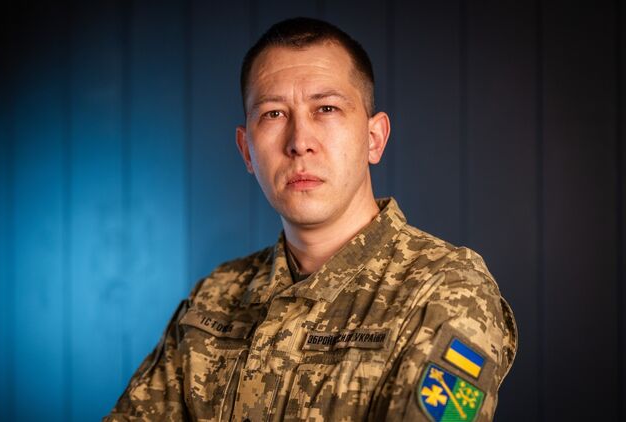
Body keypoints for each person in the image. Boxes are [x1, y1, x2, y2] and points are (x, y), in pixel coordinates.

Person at [103, 17, 517, 422]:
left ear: (374, 139)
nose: (300, 142)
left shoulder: (446, 288)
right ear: (247, 151)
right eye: (273, 114)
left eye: (326, 108)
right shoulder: (215, 296)